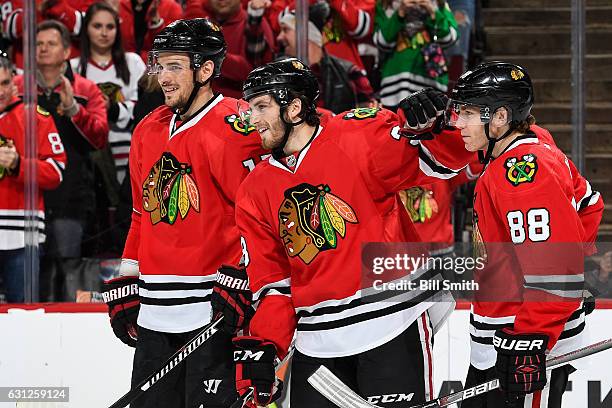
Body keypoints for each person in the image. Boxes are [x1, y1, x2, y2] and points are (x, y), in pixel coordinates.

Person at [212, 58, 475, 408]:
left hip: (391, 324)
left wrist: (435, 123)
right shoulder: (254, 189)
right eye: (251, 107)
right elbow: (274, 284)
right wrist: (265, 347)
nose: (253, 120)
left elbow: (449, 160)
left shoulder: (356, 137)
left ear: (293, 108)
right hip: (317, 343)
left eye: (262, 106)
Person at [101, 18, 266, 408]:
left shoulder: (236, 126)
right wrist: (128, 278)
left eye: (175, 66)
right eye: (160, 65)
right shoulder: (147, 130)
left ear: (205, 69)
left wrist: (245, 280)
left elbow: (258, 217)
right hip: (156, 313)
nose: (164, 77)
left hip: (213, 312)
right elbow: (142, 215)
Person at [447, 61, 603, 408]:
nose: (458, 123)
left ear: (500, 117)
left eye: (469, 112)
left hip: (521, 340)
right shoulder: (533, 141)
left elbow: (554, 269)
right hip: (501, 336)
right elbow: (590, 203)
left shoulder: (522, 174)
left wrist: (534, 335)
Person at [14, 20, 108, 266]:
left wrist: (74, 109)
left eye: (51, 43)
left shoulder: (86, 90)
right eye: (38, 44)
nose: (43, 49)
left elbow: (100, 138)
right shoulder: (14, 89)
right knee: (24, 270)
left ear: (67, 51)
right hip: (23, 197)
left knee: (66, 270)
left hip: (71, 197)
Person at [0, 50, 66, 303]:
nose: (1, 91)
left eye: (5, 83)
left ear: (14, 80)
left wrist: (19, 164)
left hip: (22, 235)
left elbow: (56, 172)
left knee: (23, 318)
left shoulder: (36, 118)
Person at [71, 2, 147, 184]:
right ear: (86, 29)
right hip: (88, 158)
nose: (104, 33)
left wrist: (111, 108)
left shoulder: (133, 63)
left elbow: (145, 110)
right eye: (97, 26)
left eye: (110, 27)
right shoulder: (73, 68)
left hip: (132, 154)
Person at [277, 3, 376, 114]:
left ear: (307, 33)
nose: (279, 37)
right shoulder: (279, 74)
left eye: (285, 30)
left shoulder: (349, 72)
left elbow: (368, 115)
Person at [374, 0, 457, 110]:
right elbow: (381, 42)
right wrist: (400, 13)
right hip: (395, 85)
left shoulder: (439, 4)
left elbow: (450, 39)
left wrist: (433, 14)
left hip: (430, 83)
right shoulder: (385, 5)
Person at [183, 0, 276, 98]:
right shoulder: (196, 21)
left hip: (239, 105)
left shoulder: (256, 26)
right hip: (196, 103)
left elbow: (255, 73)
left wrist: (211, 54)